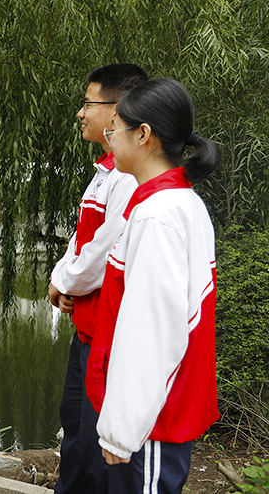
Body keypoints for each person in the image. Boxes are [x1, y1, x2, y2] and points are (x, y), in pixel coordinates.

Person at [86, 78, 220, 494]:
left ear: (143, 134)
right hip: (153, 416)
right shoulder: (173, 202)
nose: (109, 137)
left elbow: (153, 331)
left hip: (152, 424)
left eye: (115, 128)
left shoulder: (158, 216)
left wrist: (122, 430)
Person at [49, 63, 148, 494]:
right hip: (85, 333)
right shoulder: (105, 171)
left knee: (97, 453)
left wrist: (65, 283)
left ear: (117, 110)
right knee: (74, 437)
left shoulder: (128, 177)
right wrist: (61, 279)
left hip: (109, 338)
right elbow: (82, 239)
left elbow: (105, 252)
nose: (81, 112)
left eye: (88, 103)